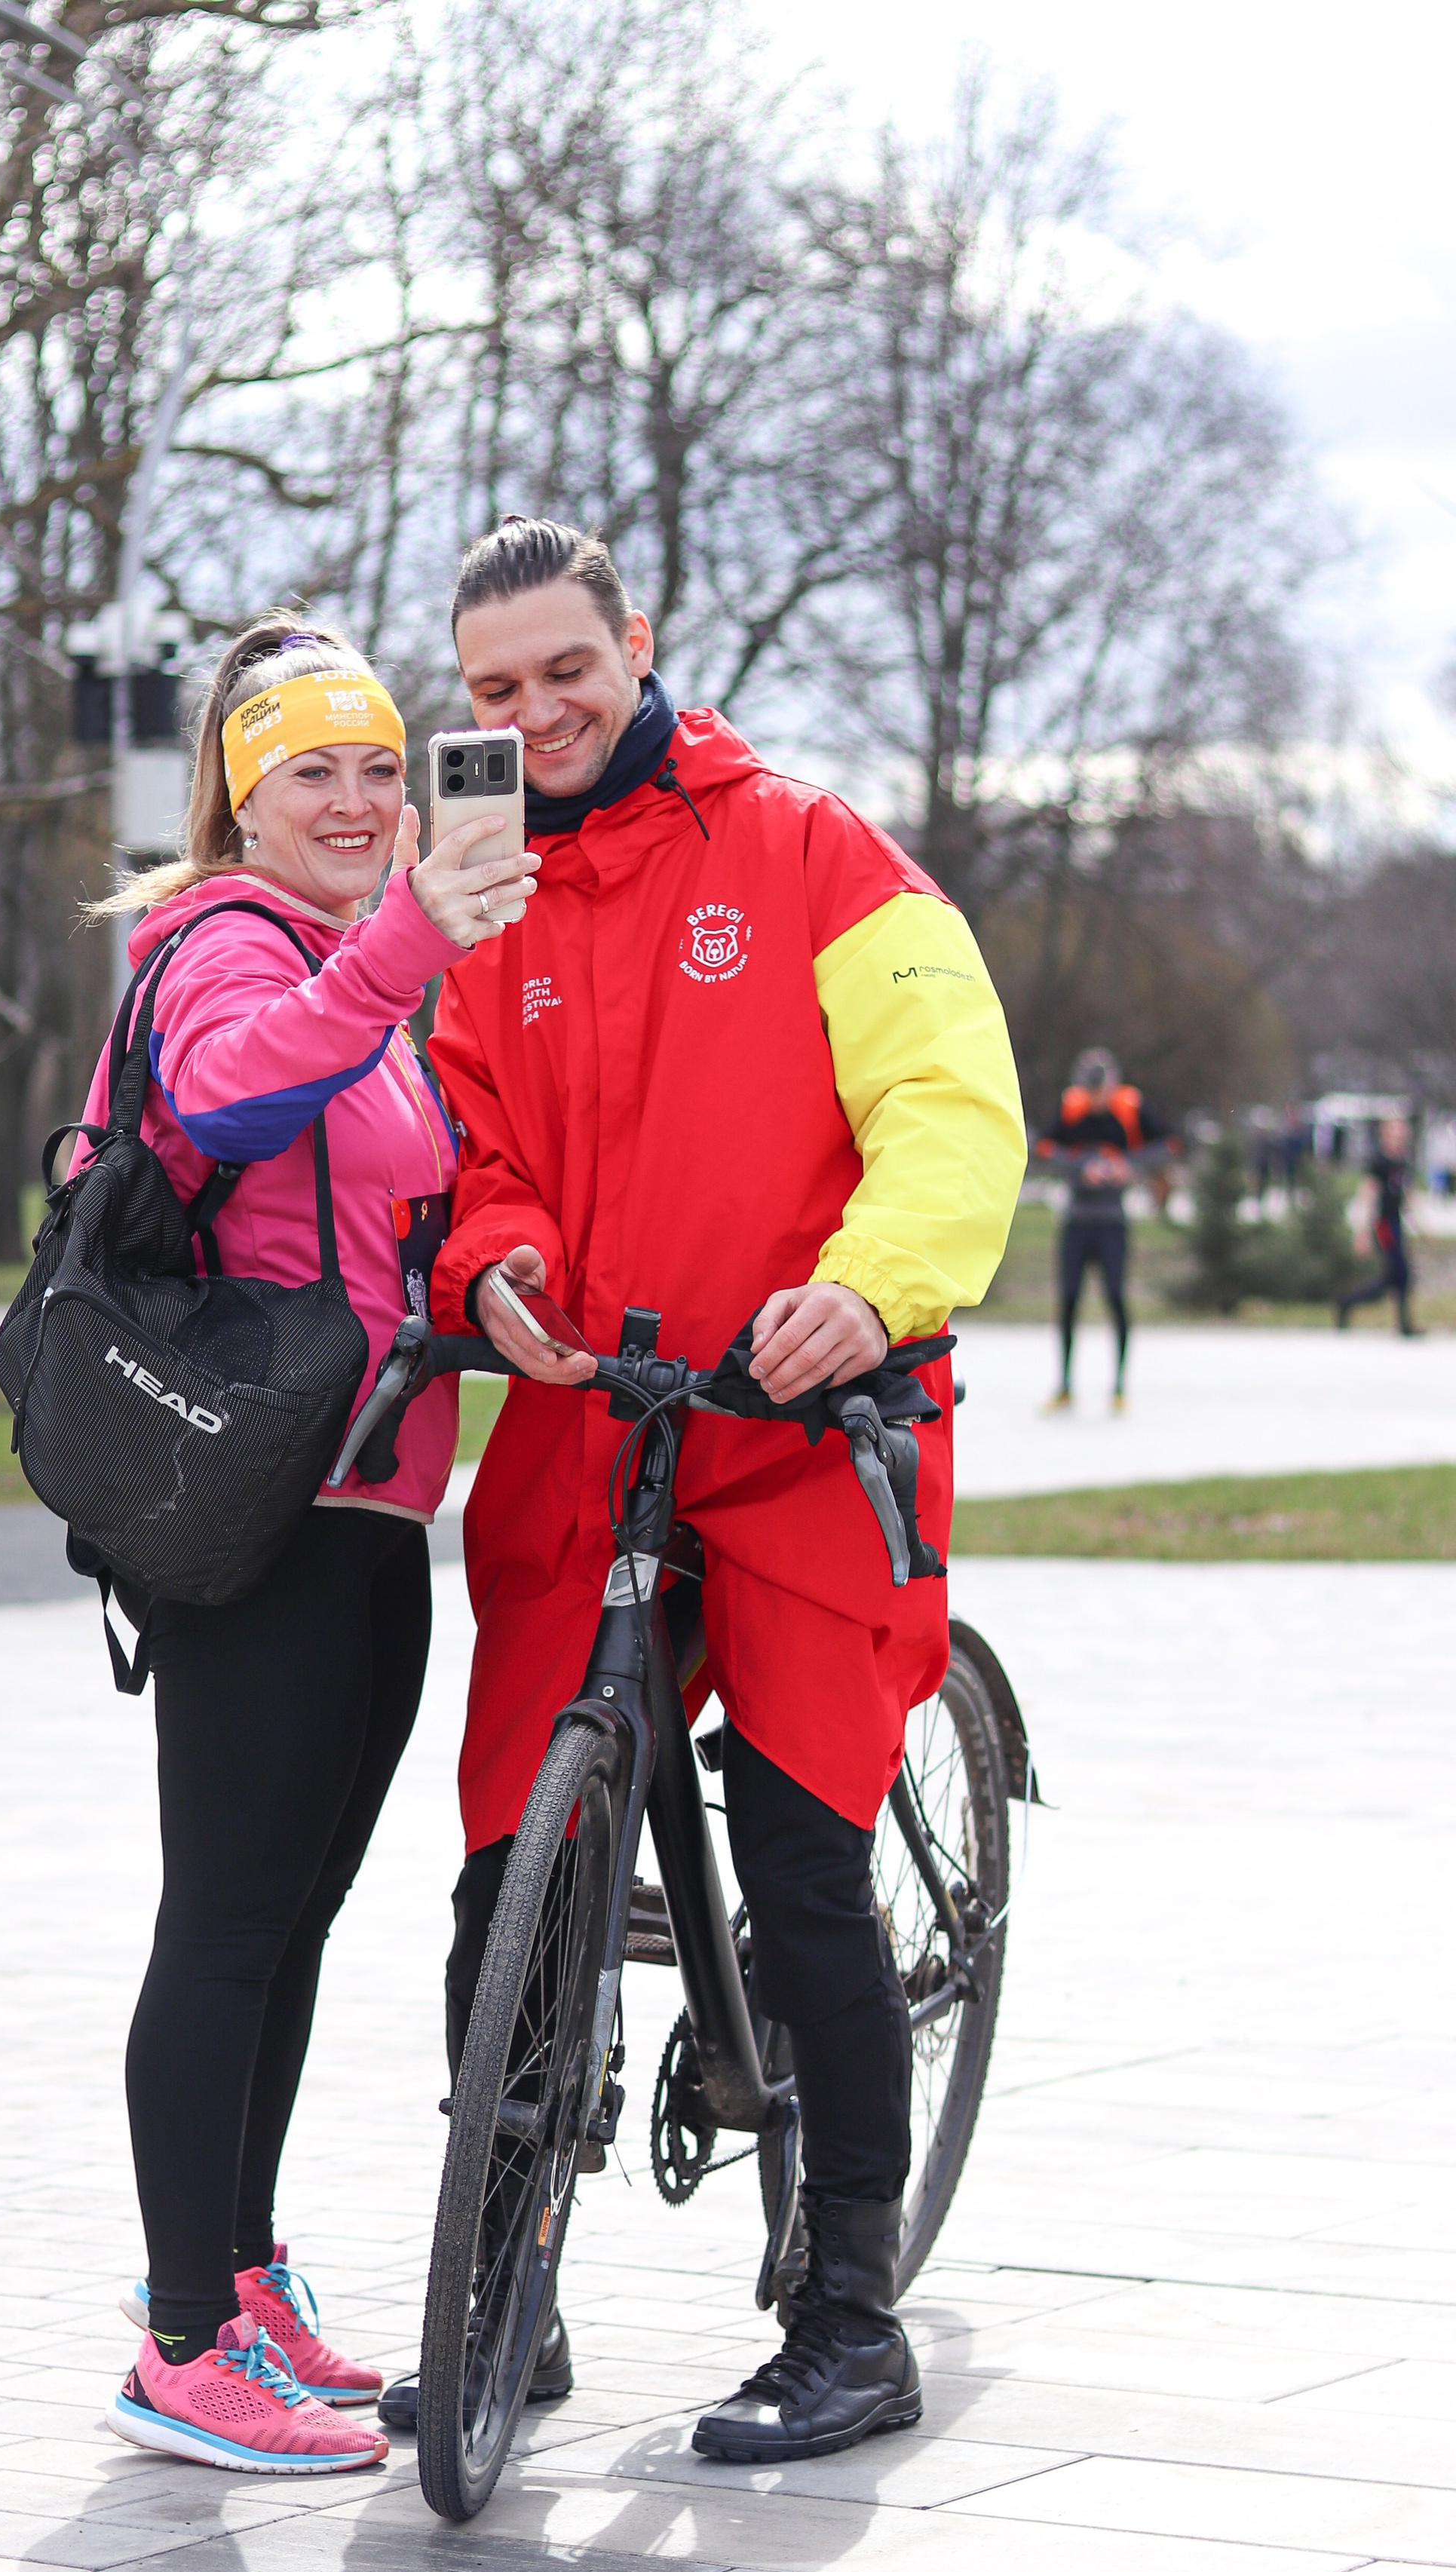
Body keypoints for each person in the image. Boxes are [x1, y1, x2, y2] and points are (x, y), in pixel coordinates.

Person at [379, 515, 1025, 2462]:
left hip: (804, 1421)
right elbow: (459, 1145)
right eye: (493, 692)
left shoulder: (813, 847)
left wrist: (869, 1284)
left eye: (566, 670)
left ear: (636, 643)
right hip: (590, 1430)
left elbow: (952, 1096)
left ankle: (848, 2315)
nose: (538, 714)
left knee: (807, 1868)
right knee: (513, 1875)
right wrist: (485, 1264)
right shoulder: (475, 903)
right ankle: (510, 2288)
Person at [81, 612, 538, 2475]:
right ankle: (178, 2338)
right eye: (309, 772)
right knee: (225, 1918)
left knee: (292, 1917)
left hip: (368, 1500)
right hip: (254, 1506)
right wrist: (409, 936)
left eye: (378, 767)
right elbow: (222, 1099)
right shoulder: (216, 940)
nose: (354, 801)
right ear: (237, 797)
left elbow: (374, 1208)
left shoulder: (359, 970)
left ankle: (241, 2273)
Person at [1035, 1048, 1175, 1412]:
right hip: (1077, 1220)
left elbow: (1168, 1144)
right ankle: (1064, 1386)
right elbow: (1045, 1149)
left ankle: (1119, 1387)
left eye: (1102, 1090)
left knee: (1115, 1297)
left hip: (1113, 1221)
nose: (1096, 1098)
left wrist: (1128, 1165)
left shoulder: (1130, 1108)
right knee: (1068, 1300)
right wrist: (1081, 1167)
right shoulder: (1071, 1108)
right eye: (1091, 1090)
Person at [1335, 1114, 1421, 1335]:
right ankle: (1347, 1303)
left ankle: (1402, 1323)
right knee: (1397, 1272)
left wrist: (1422, 1222)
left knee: (1400, 1275)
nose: (1400, 1134)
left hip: (1396, 1222)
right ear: (1385, 1133)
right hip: (1382, 1223)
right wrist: (1362, 1231)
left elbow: (1408, 1194)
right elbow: (1368, 1195)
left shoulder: (1403, 1161)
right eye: (1395, 1129)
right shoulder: (1378, 1162)